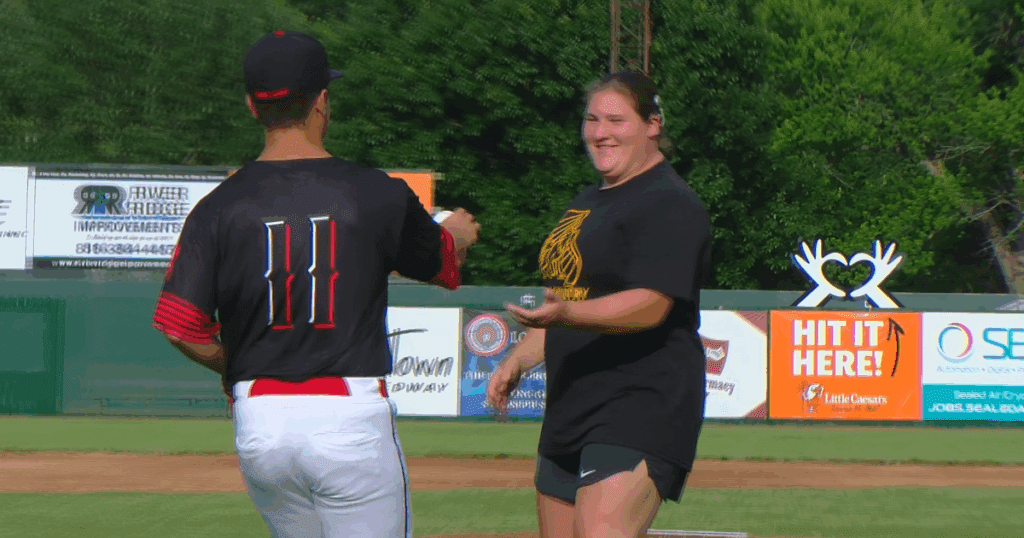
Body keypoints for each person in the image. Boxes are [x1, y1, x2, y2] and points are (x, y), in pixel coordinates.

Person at [151, 30, 481, 538]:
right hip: (348, 417)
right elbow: (443, 265)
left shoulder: (215, 208)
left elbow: (179, 327)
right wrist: (458, 235)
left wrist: (234, 361)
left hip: (260, 422)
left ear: (251, 106)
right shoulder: (376, 194)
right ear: (322, 101)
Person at [487, 70, 711, 538]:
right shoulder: (587, 202)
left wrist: (567, 315)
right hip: (571, 405)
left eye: (616, 119)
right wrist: (518, 359)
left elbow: (651, 305)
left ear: (653, 124)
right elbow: (564, 301)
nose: (600, 132)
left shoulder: (669, 202)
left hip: (640, 404)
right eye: (592, 119)